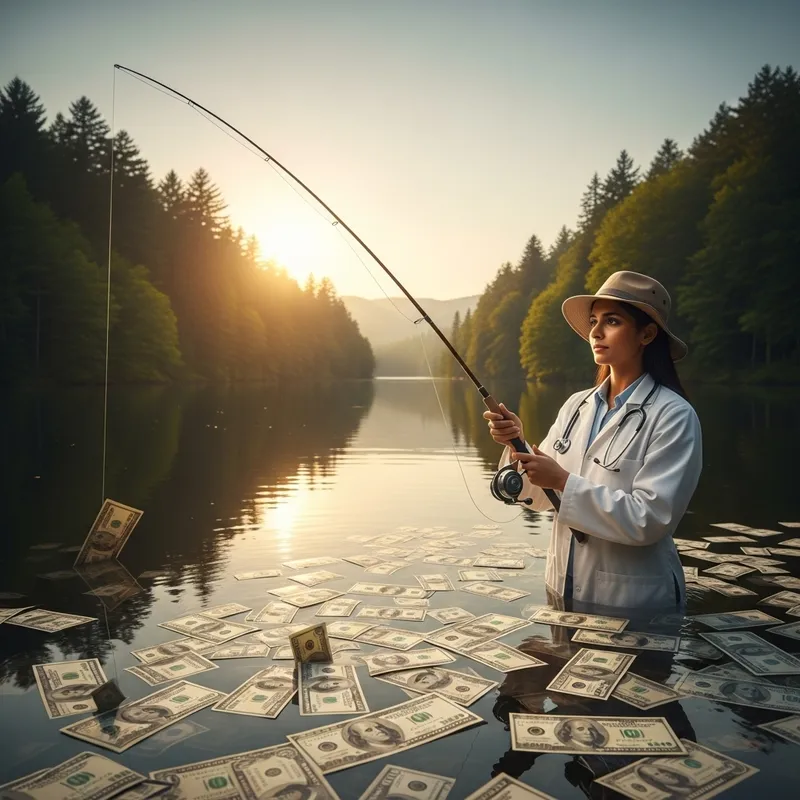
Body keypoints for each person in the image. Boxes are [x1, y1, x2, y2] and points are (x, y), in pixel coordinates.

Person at [484, 271, 702, 610]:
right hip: (562, 590)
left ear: (647, 334)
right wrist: (518, 446)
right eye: (593, 321)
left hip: (636, 602)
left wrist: (562, 480)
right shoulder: (576, 405)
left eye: (611, 321)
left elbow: (650, 519)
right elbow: (542, 498)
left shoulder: (674, 415)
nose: (595, 332)